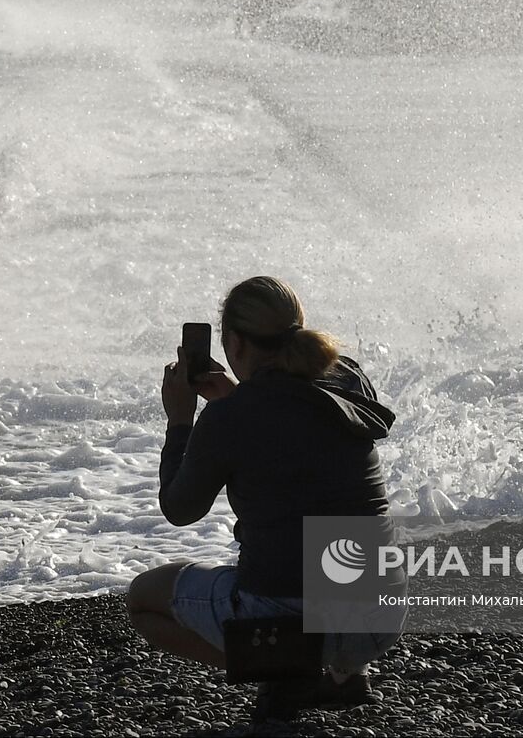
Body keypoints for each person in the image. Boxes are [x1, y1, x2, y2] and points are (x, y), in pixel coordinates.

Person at [126, 276, 405, 725]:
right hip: (376, 620)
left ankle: (289, 671)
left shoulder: (231, 418)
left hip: (287, 626)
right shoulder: (347, 379)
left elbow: (180, 509)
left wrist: (180, 421)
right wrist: (235, 399)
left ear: (234, 343)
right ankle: (343, 673)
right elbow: (292, 425)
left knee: (144, 598)